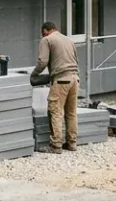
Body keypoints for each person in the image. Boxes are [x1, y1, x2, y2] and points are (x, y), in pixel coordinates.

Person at [30, 21, 79, 152]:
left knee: (55, 111)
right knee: (71, 112)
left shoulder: (47, 40)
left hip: (62, 80)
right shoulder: (69, 40)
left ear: (45, 31)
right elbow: (74, 60)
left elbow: (43, 61)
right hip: (75, 78)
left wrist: (34, 75)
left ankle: (56, 145)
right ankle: (72, 143)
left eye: (42, 33)